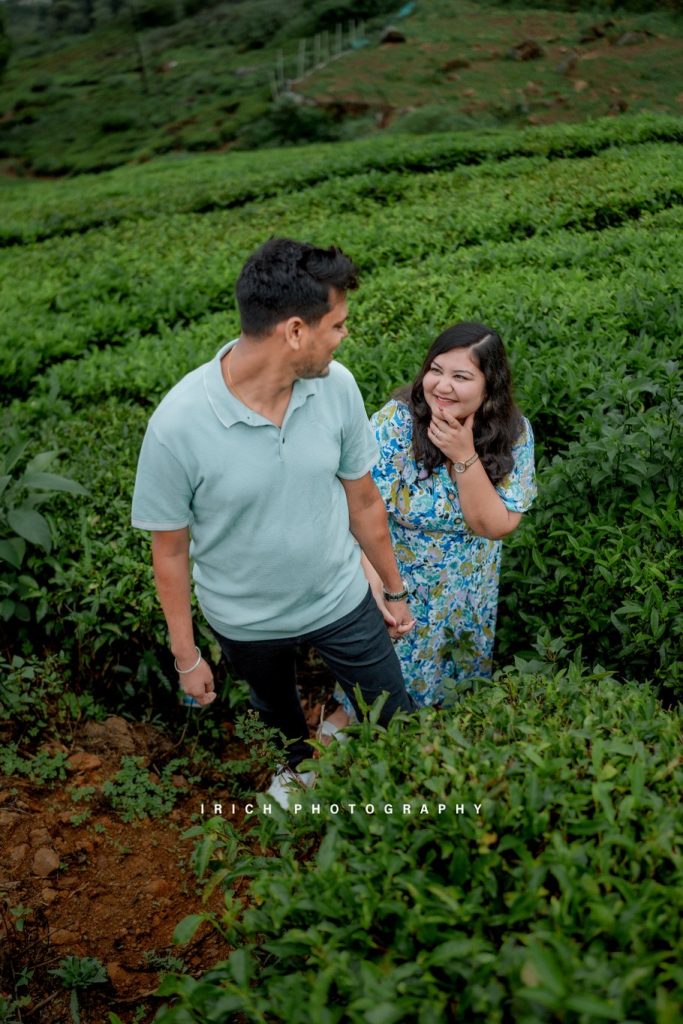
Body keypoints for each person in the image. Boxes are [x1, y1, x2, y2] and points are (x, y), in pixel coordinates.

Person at [131, 237, 414, 807]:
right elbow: (170, 551)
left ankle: (406, 802)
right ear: (294, 331)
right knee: (277, 712)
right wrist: (187, 657)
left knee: (395, 719)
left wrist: (392, 587)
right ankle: (298, 770)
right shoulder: (178, 424)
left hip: (339, 597)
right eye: (336, 325)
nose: (343, 337)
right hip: (245, 620)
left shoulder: (338, 388)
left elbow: (362, 501)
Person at [329, 320, 536, 717]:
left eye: (461, 376)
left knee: (454, 693)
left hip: (467, 588)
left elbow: (496, 525)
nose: (442, 386)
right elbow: (359, 507)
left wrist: (463, 456)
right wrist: (376, 585)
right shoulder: (399, 422)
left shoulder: (514, 433)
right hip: (396, 578)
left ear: (489, 386)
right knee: (375, 697)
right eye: (435, 370)